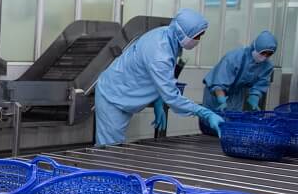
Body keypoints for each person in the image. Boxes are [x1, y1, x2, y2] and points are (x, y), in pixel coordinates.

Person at [95, 8, 225, 146]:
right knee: (109, 149)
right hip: (112, 96)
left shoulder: (167, 35)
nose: (198, 40)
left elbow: (154, 76)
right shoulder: (160, 54)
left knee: (114, 147)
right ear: (182, 32)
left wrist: (158, 100)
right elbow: (172, 97)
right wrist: (206, 113)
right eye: (197, 36)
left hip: (123, 94)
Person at [199, 31, 277, 134]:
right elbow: (218, 81)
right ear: (255, 47)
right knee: (213, 122)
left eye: (269, 54)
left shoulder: (267, 65)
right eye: (263, 52)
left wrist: (254, 97)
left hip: (237, 93)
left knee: (232, 125)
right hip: (216, 93)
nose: (265, 57)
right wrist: (221, 98)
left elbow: (261, 83)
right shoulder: (234, 58)